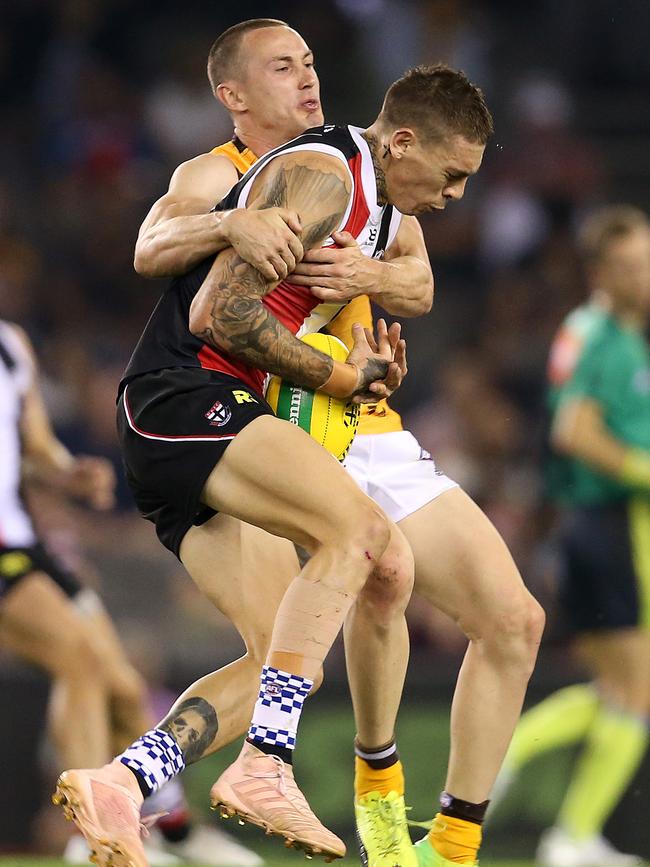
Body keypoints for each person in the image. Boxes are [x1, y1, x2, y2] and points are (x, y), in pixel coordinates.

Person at [54, 21, 542, 867]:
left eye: (313, 61)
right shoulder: (240, 172)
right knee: (361, 545)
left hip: (319, 423)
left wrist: (369, 278)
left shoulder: (372, 173)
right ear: (233, 95)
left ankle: (131, 782)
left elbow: (417, 279)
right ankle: (305, 779)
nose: (309, 78)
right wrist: (231, 225)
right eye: (283, 67)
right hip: (239, 406)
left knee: (338, 635)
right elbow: (158, 254)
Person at [0, 319, 260, 866]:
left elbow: (35, 445)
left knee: (120, 685)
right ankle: (94, 839)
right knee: (79, 661)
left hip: (26, 541)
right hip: (8, 549)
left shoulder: (11, 345)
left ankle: (177, 834)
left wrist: (68, 472)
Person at [491, 205, 650, 867]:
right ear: (599, 271)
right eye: (632, 265)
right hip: (601, 524)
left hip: (610, 527)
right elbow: (574, 433)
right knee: (636, 691)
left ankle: (507, 756)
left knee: (622, 688)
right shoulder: (596, 334)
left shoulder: (622, 332)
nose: (646, 275)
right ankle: (569, 833)